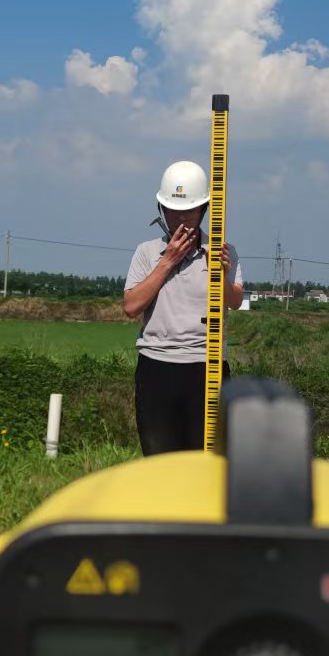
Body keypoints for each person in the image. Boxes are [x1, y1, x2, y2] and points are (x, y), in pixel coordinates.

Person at [123, 159, 245, 455]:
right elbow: (131, 306)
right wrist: (167, 261)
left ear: (203, 210)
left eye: (188, 211)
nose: (180, 219)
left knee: (207, 460)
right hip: (156, 365)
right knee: (160, 460)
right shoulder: (147, 252)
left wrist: (219, 275)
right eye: (172, 211)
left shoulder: (221, 252)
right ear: (161, 209)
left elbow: (235, 301)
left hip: (206, 365)